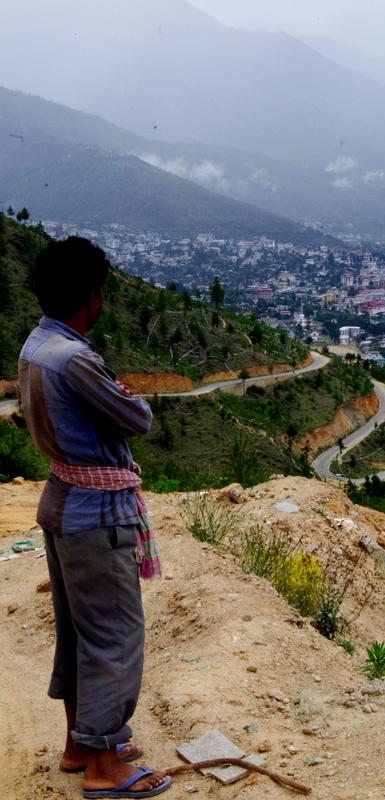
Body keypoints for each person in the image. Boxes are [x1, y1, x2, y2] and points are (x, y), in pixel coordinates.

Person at [18, 237, 171, 798]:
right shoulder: (76, 358)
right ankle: (105, 767)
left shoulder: (37, 344)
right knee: (114, 636)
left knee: (79, 631)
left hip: (62, 501)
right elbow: (138, 418)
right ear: (92, 296)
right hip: (96, 514)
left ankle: (80, 743)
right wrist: (125, 397)